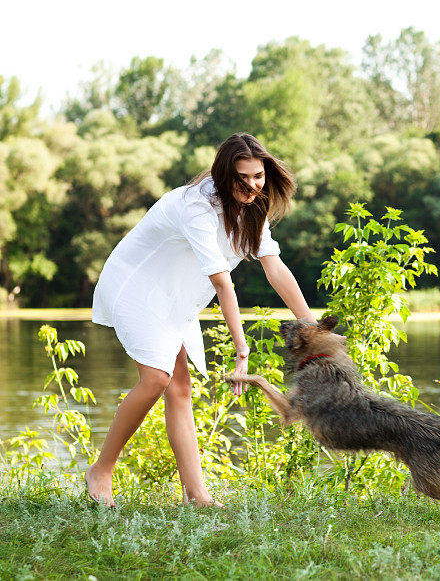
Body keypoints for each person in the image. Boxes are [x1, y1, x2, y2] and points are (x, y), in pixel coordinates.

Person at [85, 133, 315, 507]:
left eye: (258, 175)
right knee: (157, 378)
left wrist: (310, 325)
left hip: (176, 296)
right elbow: (223, 283)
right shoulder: (196, 205)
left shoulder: (252, 207)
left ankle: (197, 495)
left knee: (179, 387)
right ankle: (102, 469)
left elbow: (275, 269)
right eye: (242, 177)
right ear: (224, 174)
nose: (252, 185)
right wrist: (241, 349)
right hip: (139, 286)